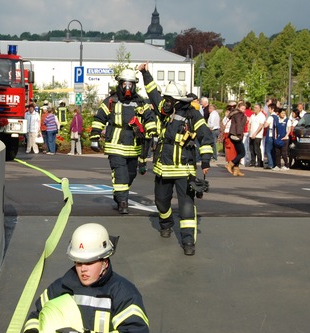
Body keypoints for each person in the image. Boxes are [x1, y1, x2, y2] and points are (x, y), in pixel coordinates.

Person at [18, 223, 149, 333]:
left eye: (89, 262)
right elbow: (37, 316)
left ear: (105, 261)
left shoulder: (123, 293)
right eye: (78, 262)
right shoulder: (62, 286)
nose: (83, 269)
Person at [141, 63, 213, 256]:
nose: (165, 102)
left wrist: (205, 161)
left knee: (187, 206)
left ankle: (188, 240)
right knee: (161, 202)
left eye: (169, 99)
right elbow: (152, 93)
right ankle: (166, 222)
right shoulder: (164, 112)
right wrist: (145, 73)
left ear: (178, 100)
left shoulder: (192, 114)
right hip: (163, 168)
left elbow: (205, 136)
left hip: (184, 169)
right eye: (166, 99)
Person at [89, 69, 157, 215]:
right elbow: (99, 118)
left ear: (134, 85)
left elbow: (150, 118)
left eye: (130, 84)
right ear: (119, 84)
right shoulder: (111, 101)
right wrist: (95, 137)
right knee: (121, 174)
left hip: (133, 146)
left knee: (131, 174)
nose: (127, 87)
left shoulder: (140, 102)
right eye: (125, 84)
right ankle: (122, 202)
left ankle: (119, 194)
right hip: (115, 145)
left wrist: (152, 133)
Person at [226, 101, 248, 177]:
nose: (243, 110)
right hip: (236, 135)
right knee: (242, 153)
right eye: (242, 108)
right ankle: (230, 164)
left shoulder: (234, 113)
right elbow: (239, 125)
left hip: (232, 134)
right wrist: (239, 135)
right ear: (238, 108)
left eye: (244, 109)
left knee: (238, 153)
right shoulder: (239, 114)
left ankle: (236, 170)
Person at [263, 103, 278, 169]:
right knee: (273, 151)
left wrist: (265, 122)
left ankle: (270, 164)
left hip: (270, 134)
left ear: (272, 109)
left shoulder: (270, 117)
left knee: (268, 150)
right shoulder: (277, 117)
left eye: (269, 108)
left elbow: (265, 125)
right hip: (275, 135)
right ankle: (274, 163)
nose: (268, 110)